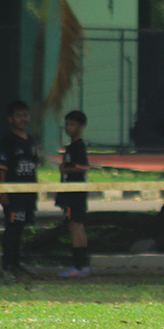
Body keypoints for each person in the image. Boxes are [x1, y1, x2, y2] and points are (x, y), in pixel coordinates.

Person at [0, 99, 39, 279]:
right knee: (12, 227)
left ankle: (17, 262)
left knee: (21, 227)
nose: (23, 119)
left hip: (28, 194)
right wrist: (4, 191)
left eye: (25, 115)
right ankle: (7, 265)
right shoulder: (8, 141)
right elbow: (3, 168)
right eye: (19, 116)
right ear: (11, 119)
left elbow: (34, 165)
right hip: (14, 195)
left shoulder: (30, 141)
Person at [56, 110, 90, 278]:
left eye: (72, 124)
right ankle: (82, 265)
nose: (68, 128)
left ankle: (78, 266)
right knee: (76, 225)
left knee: (76, 226)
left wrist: (65, 168)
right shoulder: (70, 146)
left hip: (75, 192)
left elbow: (84, 166)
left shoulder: (79, 146)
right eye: (67, 124)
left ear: (80, 127)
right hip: (69, 191)